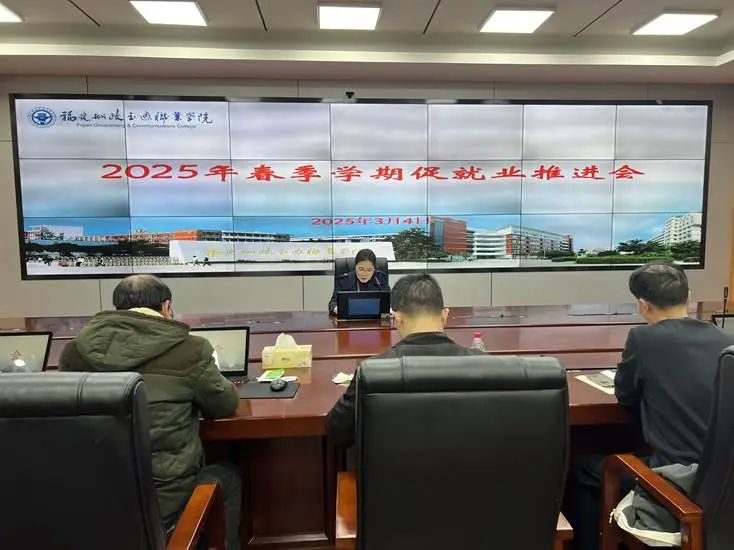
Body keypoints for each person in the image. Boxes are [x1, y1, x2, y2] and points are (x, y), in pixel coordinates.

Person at [58, 274, 241, 549]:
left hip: (95, 506)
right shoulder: (191, 348)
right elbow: (224, 404)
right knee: (227, 475)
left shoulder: (74, 351)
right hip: (166, 507)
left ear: (117, 308)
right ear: (166, 306)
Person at [565, 261, 734, 550]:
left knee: (583, 467)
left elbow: (626, 396)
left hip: (674, 483)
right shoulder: (727, 342)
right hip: (721, 489)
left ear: (643, 305)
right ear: (688, 296)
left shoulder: (643, 338)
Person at [327, 273, 484, 448]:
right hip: (467, 464)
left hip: (391, 465)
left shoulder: (372, 371)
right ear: (445, 315)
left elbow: (337, 431)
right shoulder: (483, 365)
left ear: (398, 318)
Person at [328, 248, 390, 315]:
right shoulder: (344, 280)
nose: (364, 273)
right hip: (351, 319)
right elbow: (332, 303)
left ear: (374, 269)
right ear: (355, 267)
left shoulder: (380, 278)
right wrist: (338, 310)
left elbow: (391, 301)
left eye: (369, 270)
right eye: (361, 269)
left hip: (376, 318)